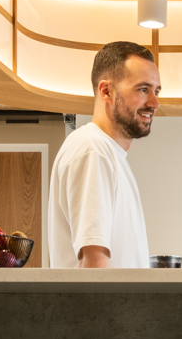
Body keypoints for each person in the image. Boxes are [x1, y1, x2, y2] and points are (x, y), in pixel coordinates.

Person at [45, 40, 160, 269]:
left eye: (156, 91)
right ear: (106, 91)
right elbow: (95, 268)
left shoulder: (109, 155)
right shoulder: (93, 150)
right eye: (143, 89)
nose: (155, 103)